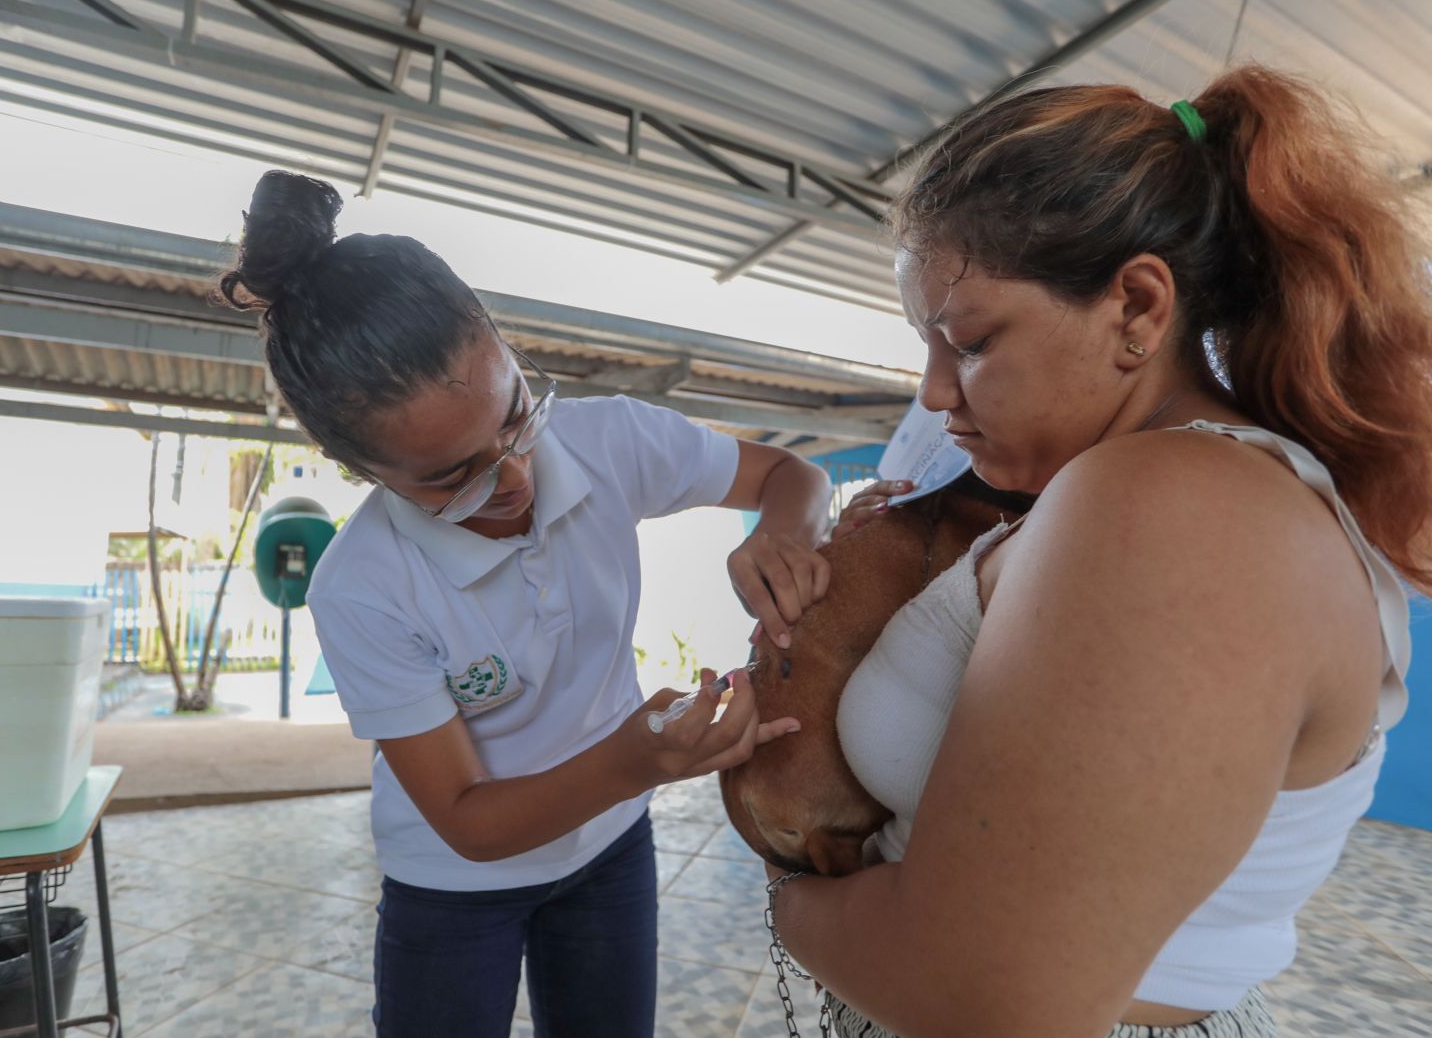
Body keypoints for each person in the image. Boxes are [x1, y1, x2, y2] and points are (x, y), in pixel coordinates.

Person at [768, 64, 1430, 1038]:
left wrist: (788, 890)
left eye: (971, 342)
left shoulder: (1174, 507)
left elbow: (983, 998)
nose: (935, 393)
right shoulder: (1158, 495)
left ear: (1135, 307)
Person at [216, 170, 834, 1038]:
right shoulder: (364, 588)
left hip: (611, 845)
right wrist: (638, 760)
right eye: (450, 475)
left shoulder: (607, 439)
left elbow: (791, 476)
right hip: (454, 885)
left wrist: (784, 533)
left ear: (504, 349)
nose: (512, 479)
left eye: (514, 416)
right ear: (364, 473)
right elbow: (469, 822)